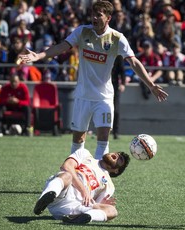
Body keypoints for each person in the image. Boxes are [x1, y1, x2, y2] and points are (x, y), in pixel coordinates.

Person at [19, 1, 168, 160]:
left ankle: (100, 177)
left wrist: (151, 85)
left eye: (99, 15)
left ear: (108, 18)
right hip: (83, 96)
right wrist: (39, 56)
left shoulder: (117, 38)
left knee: (103, 138)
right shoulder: (82, 32)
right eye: (93, 14)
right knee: (78, 139)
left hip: (103, 98)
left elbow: (134, 62)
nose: (94, 18)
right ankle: (75, 175)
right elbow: (62, 46)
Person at [33, 148, 130, 223]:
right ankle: (42, 202)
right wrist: (84, 191)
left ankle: (83, 218)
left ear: (116, 170)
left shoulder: (109, 185)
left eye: (120, 159)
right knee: (67, 175)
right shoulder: (85, 154)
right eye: (118, 153)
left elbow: (95, 204)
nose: (117, 155)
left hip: (75, 207)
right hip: (61, 192)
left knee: (112, 211)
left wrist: (101, 204)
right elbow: (66, 166)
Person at [111, 55, 126, 139]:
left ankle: (115, 132)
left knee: (115, 110)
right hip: (102, 85)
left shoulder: (118, 55)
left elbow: (122, 70)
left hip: (114, 85)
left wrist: (123, 83)